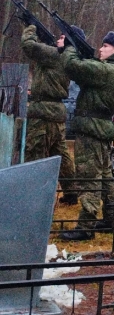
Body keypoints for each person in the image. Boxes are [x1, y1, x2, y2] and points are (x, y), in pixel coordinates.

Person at [58, 30, 114, 241]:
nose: (100, 49)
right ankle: (110, 218)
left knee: (89, 176)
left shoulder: (108, 70)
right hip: (98, 127)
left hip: (91, 128)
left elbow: (73, 67)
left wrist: (69, 48)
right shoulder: (113, 69)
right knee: (105, 175)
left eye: (105, 46)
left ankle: (86, 225)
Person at [20, 24, 77, 205]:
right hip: (55, 111)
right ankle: (71, 191)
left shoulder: (54, 55)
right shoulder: (67, 59)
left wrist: (31, 28)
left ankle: (32, 196)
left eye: (62, 38)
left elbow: (28, 45)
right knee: (60, 153)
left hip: (43, 111)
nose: (58, 39)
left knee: (35, 153)